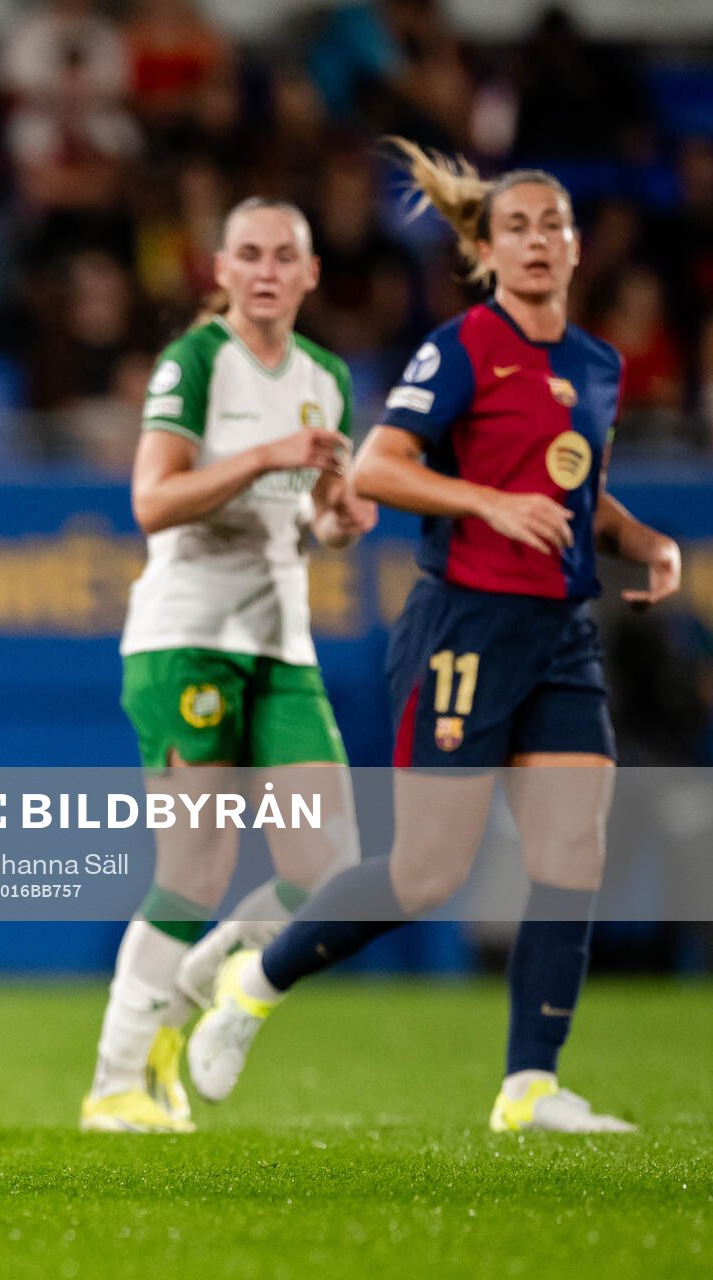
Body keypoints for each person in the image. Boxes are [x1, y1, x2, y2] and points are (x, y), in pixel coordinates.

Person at [188, 140, 681, 1133]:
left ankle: (528, 1084)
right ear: (488, 252)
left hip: (563, 630)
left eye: (554, 224)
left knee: (573, 844)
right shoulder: (462, 346)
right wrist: (491, 505)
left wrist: (642, 540)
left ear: (578, 247)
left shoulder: (594, 364)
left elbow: (574, 490)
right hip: (466, 620)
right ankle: (254, 983)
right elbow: (379, 467)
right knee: (427, 871)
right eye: (518, 227)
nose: (538, 241)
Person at [82, 197, 375, 1134]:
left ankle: (207, 972)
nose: (264, 270)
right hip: (187, 635)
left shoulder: (328, 377)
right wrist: (264, 457)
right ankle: (116, 1083)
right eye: (247, 254)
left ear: (310, 273)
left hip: (282, 640)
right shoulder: (196, 361)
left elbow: (319, 517)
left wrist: (336, 518)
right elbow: (153, 500)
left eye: (283, 255)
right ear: (220, 270)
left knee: (330, 865)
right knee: (196, 865)